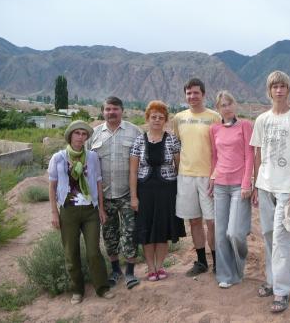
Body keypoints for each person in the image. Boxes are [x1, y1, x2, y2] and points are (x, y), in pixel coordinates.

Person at [250, 71, 290, 313]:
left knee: (281, 239)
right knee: (267, 235)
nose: (278, 90)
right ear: (269, 90)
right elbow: (257, 153)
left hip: (287, 190)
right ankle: (271, 280)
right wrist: (256, 184)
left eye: (282, 86)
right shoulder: (262, 119)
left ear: (288, 90)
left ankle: (282, 291)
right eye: (274, 86)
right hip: (265, 187)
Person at [48, 120, 115, 305]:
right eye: (77, 133)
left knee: (93, 252)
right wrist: (54, 213)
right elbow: (52, 187)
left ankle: (102, 287)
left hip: (90, 211)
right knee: (71, 252)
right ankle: (77, 290)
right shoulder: (59, 158)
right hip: (68, 211)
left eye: (84, 134)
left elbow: (99, 183)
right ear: (70, 136)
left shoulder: (93, 157)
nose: (80, 137)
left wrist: (101, 208)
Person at [129, 100, 186, 281]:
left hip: (167, 191)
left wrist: (179, 193)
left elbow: (179, 168)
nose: (157, 120)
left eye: (161, 117)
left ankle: (160, 267)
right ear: (147, 118)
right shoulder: (139, 140)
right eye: (153, 116)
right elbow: (133, 171)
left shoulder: (172, 140)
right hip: (144, 191)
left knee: (162, 230)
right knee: (146, 231)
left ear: (165, 120)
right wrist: (133, 197)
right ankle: (150, 268)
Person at [89, 96, 142, 289]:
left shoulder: (134, 132)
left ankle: (129, 273)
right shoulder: (94, 135)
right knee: (109, 234)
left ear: (122, 110)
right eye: (108, 109)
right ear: (103, 111)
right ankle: (115, 271)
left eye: (115, 109)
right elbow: (88, 167)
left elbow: (141, 164)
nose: (111, 112)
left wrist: (138, 195)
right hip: (104, 197)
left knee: (130, 234)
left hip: (128, 194)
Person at [172, 78, 221, 276]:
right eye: (189, 93)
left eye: (196, 93)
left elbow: (220, 149)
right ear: (185, 95)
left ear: (203, 94)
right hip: (185, 176)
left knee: (212, 222)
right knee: (194, 221)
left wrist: (215, 174)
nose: (192, 97)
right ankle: (201, 262)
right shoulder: (179, 118)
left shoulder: (214, 117)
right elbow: (177, 147)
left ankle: (219, 262)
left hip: (208, 177)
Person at [209, 91, 254, 289]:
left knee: (234, 232)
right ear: (218, 108)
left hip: (238, 186)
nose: (226, 107)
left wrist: (246, 183)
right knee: (220, 234)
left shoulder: (245, 126)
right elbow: (214, 157)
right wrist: (212, 177)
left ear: (234, 105)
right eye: (222, 105)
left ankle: (239, 264)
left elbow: (249, 156)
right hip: (220, 185)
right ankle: (226, 275)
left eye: (229, 103)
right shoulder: (214, 129)